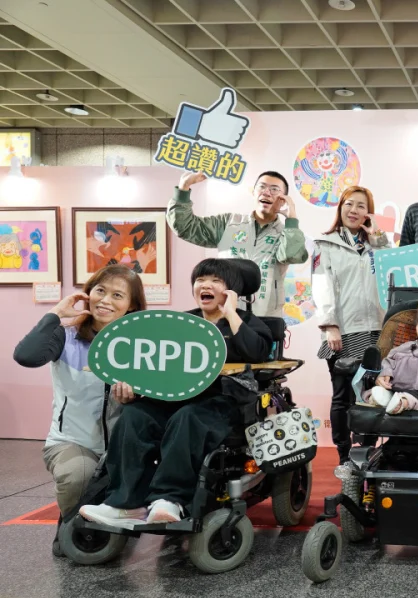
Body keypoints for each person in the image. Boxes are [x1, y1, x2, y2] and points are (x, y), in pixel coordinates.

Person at [78, 259, 272, 527]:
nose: (206, 285)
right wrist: (133, 388)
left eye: (215, 281)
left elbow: (258, 353)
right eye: (200, 280)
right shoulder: (183, 323)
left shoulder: (248, 322)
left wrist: (230, 313)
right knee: (135, 415)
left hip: (223, 401)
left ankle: (169, 499)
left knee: (187, 417)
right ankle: (125, 503)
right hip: (177, 398)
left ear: (231, 291)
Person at [13, 265, 147, 555]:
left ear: (132, 306)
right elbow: (26, 356)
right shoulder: (66, 337)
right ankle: (70, 524)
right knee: (79, 475)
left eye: (117, 295)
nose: (105, 300)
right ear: (88, 294)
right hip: (71, 441)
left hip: (124, 446)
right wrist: (55, 315)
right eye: (100, 290)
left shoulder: (144, 346)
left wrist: (134, 398)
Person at [314, 186, 390, 464]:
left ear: (369, 213)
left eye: (361, 206)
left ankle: (366, 451)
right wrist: (329, 325)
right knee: (343, 396)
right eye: (349, 204)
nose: (354, 210)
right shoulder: (325, 244)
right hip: (343, 330)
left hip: (377, 330)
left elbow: (392, 272)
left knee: (375, 394)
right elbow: (321, 286)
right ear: (340, 208)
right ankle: (344, 455)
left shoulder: (377, 245)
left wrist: (379, 239)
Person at [167, 170, 309, 317]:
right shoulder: (228, 223)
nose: (266, 192)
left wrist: (291, 219)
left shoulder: (287, 233)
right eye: (262, 187)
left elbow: (292, 255)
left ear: (283, 200)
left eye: (274, 189)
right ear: (253, 192)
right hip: (224, 314)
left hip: (266, 317)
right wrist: (183, 189)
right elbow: (185, 227)